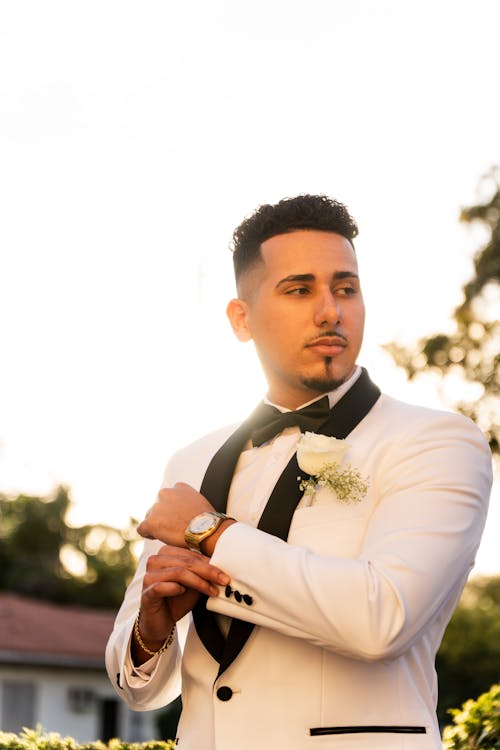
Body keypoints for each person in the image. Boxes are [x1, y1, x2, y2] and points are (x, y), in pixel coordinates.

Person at [106, 195, 492, 750]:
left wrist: (211, 535)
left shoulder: (436, 441)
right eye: (299, 289)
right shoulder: (191, 462)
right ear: (242, 319)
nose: (330, 310)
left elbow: (382, 618)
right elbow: (138, 689)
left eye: (346, 288)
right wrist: (151, 630)